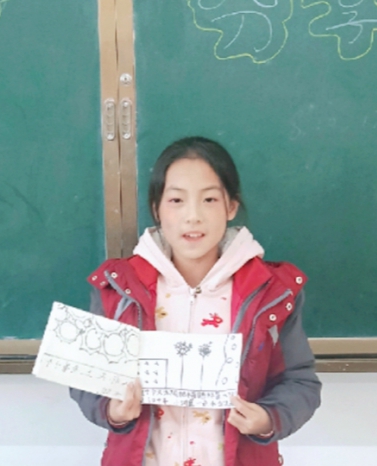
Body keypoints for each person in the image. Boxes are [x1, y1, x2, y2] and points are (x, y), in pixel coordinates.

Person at [70, 136, 321, 466]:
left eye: (209, 199)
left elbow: (299, 382)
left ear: (231, 207)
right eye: (176, 200)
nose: (193, 216)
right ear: (156, 208)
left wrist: (267, 418)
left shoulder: (271, 292)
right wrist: (113, 411)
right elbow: (88, 379)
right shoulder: (118, 287)